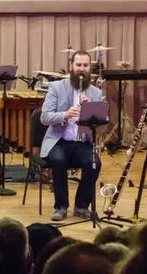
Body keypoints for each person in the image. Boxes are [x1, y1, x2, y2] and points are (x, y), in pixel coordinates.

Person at [39, 50, 103, 221]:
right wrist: (65, 115)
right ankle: (61, 206)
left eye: (85, 65)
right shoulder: (56, 87)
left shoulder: (95, 93)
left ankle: (81, 206)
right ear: (71, 67)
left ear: (90, 68)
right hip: (58, 141)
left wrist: (91, 112)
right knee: (58, 160)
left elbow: (102, 124)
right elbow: (44, 117)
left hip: (82, 142)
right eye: (78, 65)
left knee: (94, 163)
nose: (81, 69)